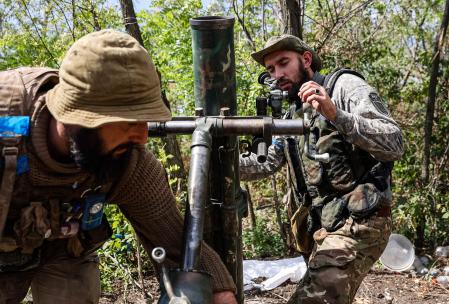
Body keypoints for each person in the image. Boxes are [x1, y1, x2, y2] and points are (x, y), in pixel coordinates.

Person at [0, 29, 236, 304]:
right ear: (79, 118)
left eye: (146, 121)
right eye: (129, 123)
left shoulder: (127, 160)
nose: (142, 136)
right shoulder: (7, 124)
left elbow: (172, 238)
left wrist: (220, 290)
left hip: (66, 248)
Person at [240, 34, 403, 303]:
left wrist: (335, 115)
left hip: (360, 222)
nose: (278, 74)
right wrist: (216, 157)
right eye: (271, 69)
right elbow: (268, 161)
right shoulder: (291, 111)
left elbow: (394, 142)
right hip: (321, 226)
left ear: (305, 59)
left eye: (283, 63)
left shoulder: (345, 87)